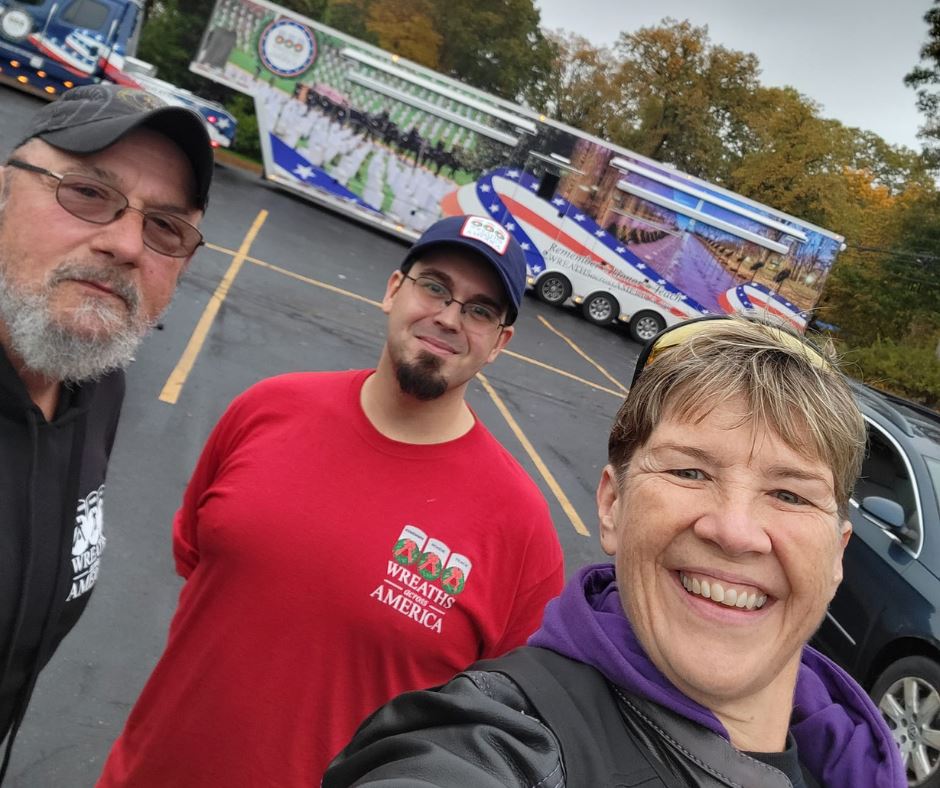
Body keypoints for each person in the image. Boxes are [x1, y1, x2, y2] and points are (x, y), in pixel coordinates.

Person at [324, 315, 907, 788]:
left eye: (788, 493)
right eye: (690, 471)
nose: (734, 530)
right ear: (612, 506)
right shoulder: (508, 742)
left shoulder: (854, 764)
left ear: (837, 555)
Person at [98, 214, 565, 786]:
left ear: (499, 342)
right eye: (435, 286)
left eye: (480, 310)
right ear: (395, 289)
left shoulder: (520, 527)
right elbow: (196, 559)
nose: (448, 317)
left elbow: (495, 724)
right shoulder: (267, 410)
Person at [0, 84, 213, 780]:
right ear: (5, 192)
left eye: (165, 230)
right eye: (88, 193)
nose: (126, 244)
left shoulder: (95, 384)